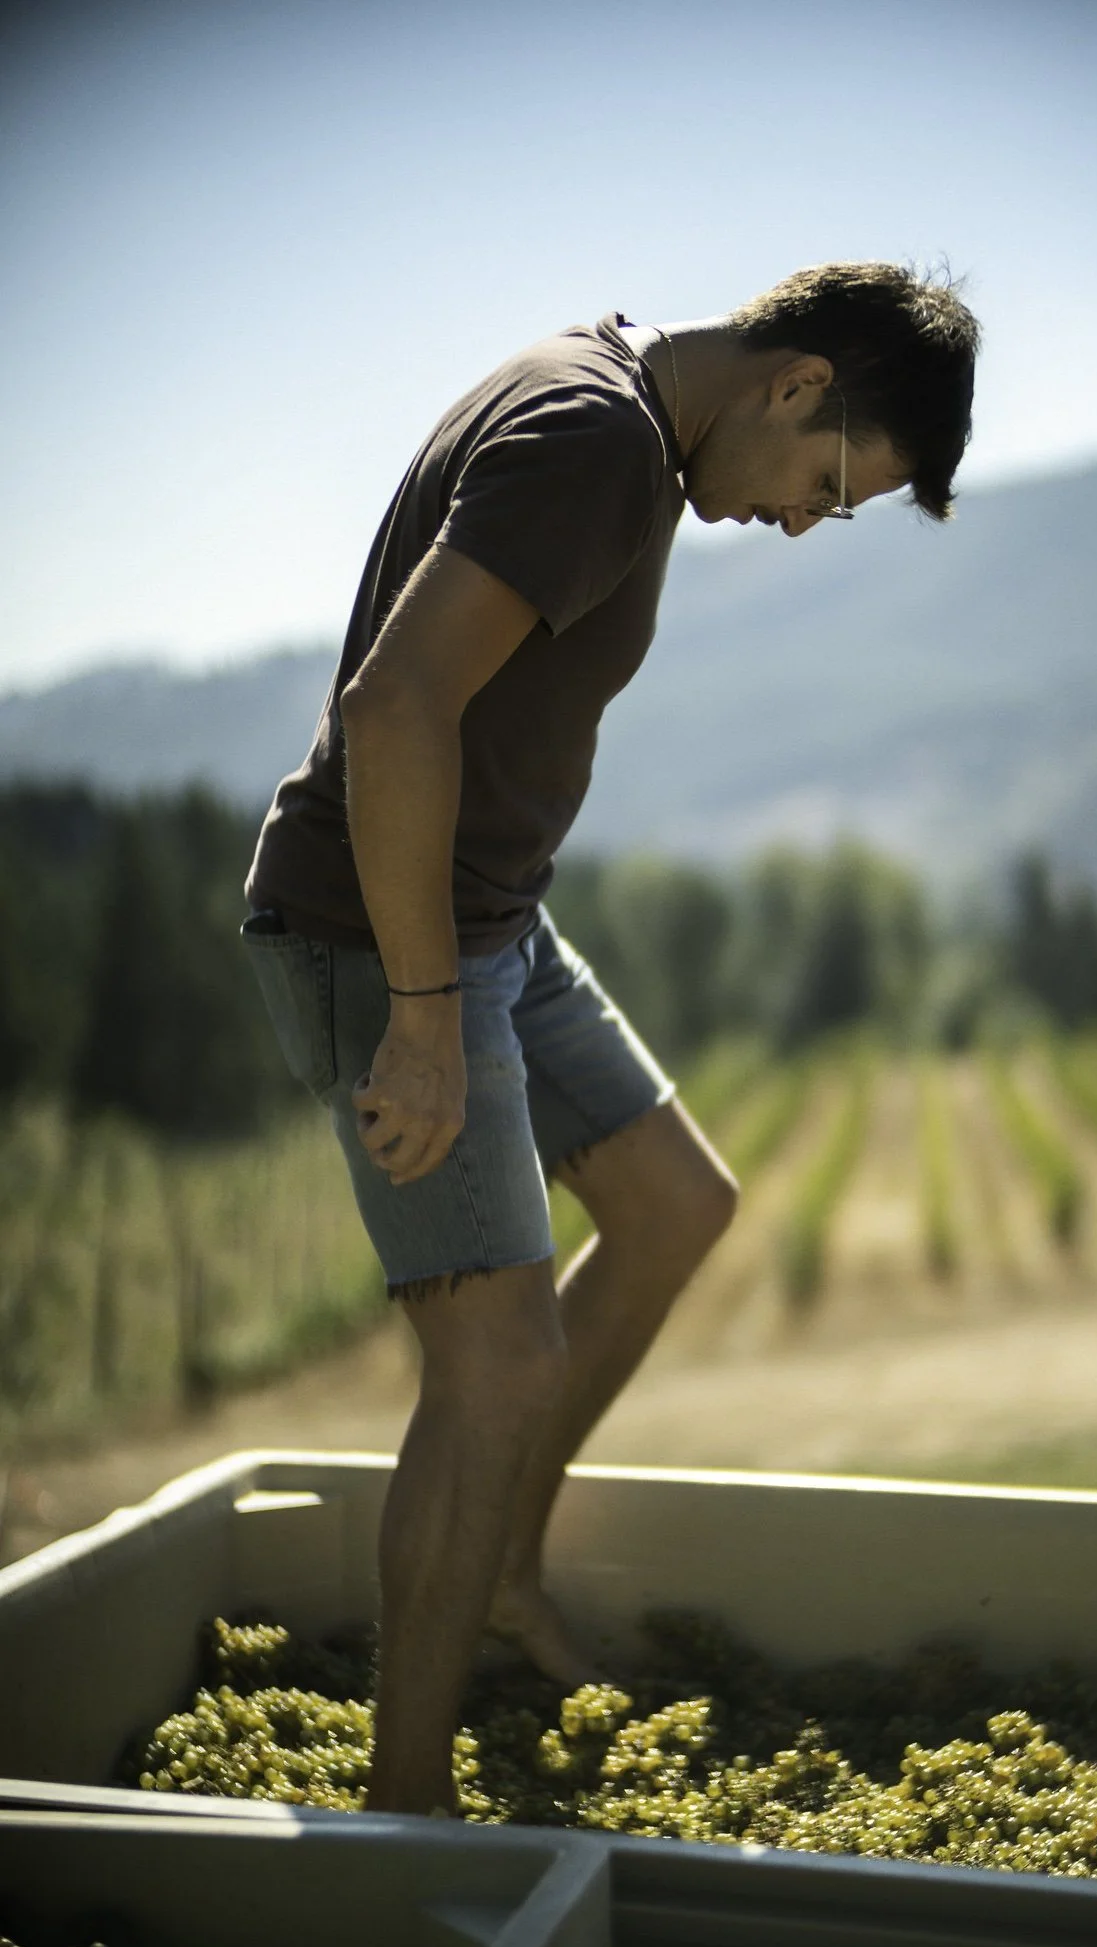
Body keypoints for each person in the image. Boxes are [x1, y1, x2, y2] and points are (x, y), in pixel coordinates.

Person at [240, 262, 979, 1815]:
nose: (794, 523)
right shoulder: (590, 440)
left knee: (671, 1205)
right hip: (390, 944)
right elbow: (393, 711)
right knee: (494, 1369)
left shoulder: (615, 392)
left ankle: (499, 1567)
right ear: (795, 384)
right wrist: (427, 1020)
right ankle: (404, 1802)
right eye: (823, 488)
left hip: (496, 923)